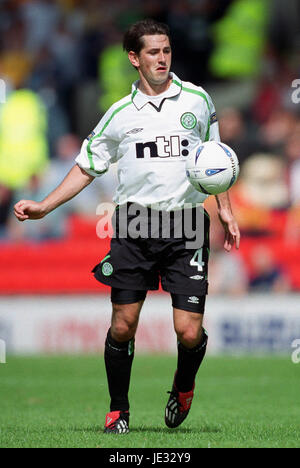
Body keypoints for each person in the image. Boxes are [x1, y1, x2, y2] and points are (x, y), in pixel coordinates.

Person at [14, 19, 240, 434]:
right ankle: (119, 410)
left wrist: (224, 209)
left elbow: (215, 160)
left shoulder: (196, 99)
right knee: (123, 324)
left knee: (189, 333)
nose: (162, 58)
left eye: (166, 50)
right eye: (153, 52)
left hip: (187, 223)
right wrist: (46, 206)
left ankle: (183, 385)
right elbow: (86, 165)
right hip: (134, 225)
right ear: (134, 58)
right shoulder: (119, 115)